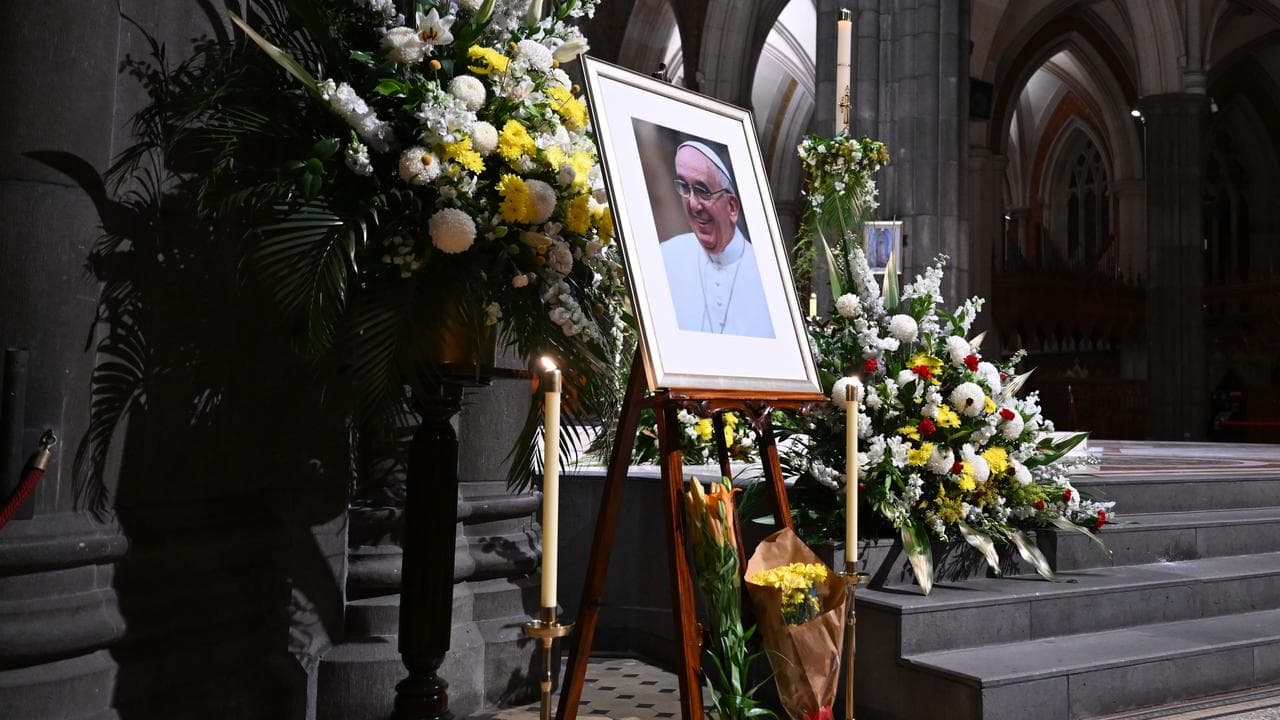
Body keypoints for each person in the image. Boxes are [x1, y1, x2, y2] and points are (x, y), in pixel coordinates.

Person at [660, 141, 774, 338]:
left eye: (703, 191)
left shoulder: (769, 274)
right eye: (684, 188)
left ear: (731, 207)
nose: (693, 205)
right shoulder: (664, 256)